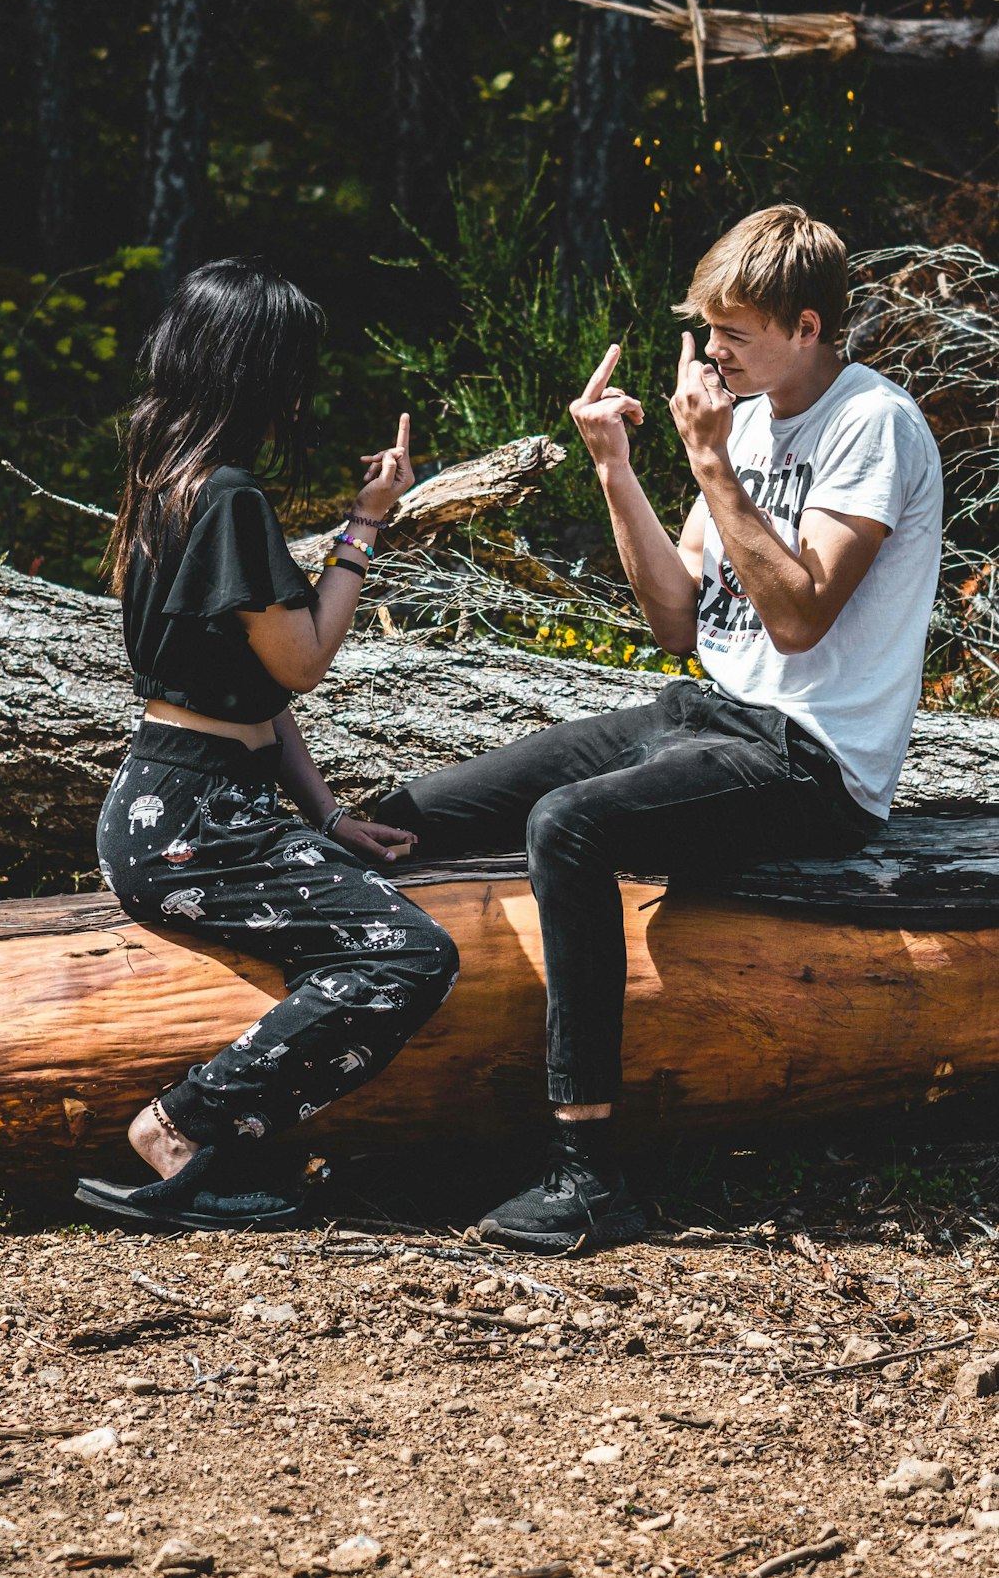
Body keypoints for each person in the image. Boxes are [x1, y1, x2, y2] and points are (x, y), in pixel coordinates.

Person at [377, 204, 944, 1254]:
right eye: (707, 328)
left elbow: (799, 612)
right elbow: (678, 618)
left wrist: (711, 461)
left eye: (732, 330)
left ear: (807, 326)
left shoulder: (873, 423)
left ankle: (590, 1168)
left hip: (811, 760)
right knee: (415, 811)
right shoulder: (749, 415)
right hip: (706, 713)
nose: (711, 349)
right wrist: (615, 468)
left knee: (568, 825)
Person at [77, 258, 459, 1231]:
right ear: (257, 373)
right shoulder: (231, 498)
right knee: (409, 952)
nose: (303, 387)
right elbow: (299, 662)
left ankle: (217, 1148)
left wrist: (326, 815)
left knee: (383, 942)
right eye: (294, 365)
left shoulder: (167, 482)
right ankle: (180, 1128)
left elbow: (254, 693)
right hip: (194, 818)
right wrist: (364, 527)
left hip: (184, 803)